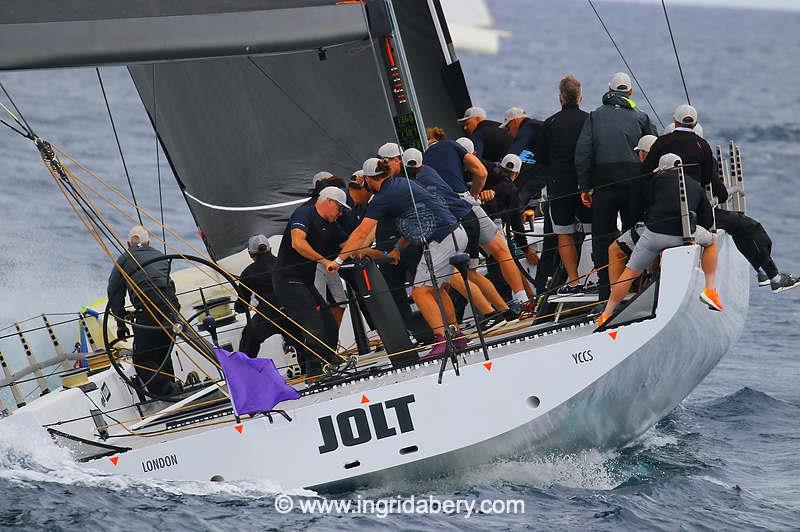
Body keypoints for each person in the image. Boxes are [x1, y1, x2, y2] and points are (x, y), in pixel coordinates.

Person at [645, 105, 799, 293]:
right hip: (695, 216)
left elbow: (644, 175)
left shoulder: (660, 144)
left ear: (674, 121)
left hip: (655, 216)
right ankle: (770, 274)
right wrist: (724, 193)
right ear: (694, 126)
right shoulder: (701, 147)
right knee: (747, 226)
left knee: (740, 226)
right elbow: (717, 189)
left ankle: (765, 273)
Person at [338, 159, 469, 357]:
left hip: (442, 238)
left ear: (368, 179)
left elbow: (360, 234)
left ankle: (443, 340)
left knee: (420, 292)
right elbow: (418, 223)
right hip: (455, 232)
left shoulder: (383, 197)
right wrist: (398, 248)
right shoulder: (401, 183)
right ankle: (456, 337)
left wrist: (338, 260)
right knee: (438, 289)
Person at [598, 154, 723, 327]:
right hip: (685, 235)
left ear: (663, 169)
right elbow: (707, 219)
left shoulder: (655, 180)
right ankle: (709, 289)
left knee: (630, 271)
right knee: (712, 240)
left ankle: (606, 314)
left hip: (654, 234)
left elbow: (645, 206)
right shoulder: (695, 185)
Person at [403, 148, 517, 329]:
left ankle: (490, 314)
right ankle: (505, 312)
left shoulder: (410, 183)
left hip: (458, 222)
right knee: (468, 274)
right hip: (467, 216)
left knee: (456, 277)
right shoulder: (429, 171)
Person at [425, 126, 534, 313]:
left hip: (451, 211)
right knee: (501, 251)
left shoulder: (428, 161)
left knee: (469, 271)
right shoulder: (456, 151)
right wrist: (475, 195)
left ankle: (500, 311)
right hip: (469, 206)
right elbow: (483, 173)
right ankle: (523, 301)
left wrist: (480, 194)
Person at [575, 72, 658, 301]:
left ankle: (605, 290)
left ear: (609, 90)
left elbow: (583, 153)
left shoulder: (594, 117)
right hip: (633, 183)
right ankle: (634, 286)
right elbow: (654, 150)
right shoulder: (641, 117)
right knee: (632, 233)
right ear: (629, 92)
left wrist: (585, 186)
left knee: (602, 236)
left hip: (604, 185)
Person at [273, 187, 350, 376]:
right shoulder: (304, 213)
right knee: (313, 322)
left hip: (305, 281)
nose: (341, 214)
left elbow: (349, 244)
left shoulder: (331, 224)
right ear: (329, 202)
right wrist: (324, 261)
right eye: (340, 209)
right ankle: (315, 372)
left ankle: (329, 361)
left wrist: (380, 253)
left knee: (329, 323)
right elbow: (297, 243)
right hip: (287, 280)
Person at [107, 225, 180, 396]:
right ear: (148, 242)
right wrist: (174, 312)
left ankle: (166, 392)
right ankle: (172, 389)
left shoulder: (124, 259)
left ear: (128, 244)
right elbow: (168, 284)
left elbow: (114, 292)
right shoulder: (159, 255)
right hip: (171, 310)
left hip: (148, 310)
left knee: (142, 359)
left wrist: (120, 324)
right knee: (163, 352)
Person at [537, 75, 592, 293]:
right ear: (580, 96)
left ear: (560, 98)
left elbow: (541, 158)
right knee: (594, 231)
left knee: (564, 233)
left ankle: (574, 282)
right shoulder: (590, 120)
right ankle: (604, 274)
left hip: (559, 185)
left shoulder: (549, 123)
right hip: (585, 184)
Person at [234, 235, 302, 358]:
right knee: (300, 342)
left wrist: (240, 307)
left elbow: (241, 306)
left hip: (269, 316)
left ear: (250, 254)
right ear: (270, 249)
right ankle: (309, 370)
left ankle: (245, 370)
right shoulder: (285, 264)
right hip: (292, 313)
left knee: (249, 335)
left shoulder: (247, 273)